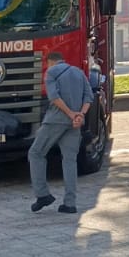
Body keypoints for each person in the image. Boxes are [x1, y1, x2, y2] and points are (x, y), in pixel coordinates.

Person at [27, 51, 94, 215]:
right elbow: (89, 97)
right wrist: (80, 115)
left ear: (50, 62)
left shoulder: (51, 72)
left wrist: (70, 113)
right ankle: (70, 204)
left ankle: (42, 194)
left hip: (55, 120)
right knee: (70, 160)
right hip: (75, 123)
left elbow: (54, 97)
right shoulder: (78, 72)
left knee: (36, 153)